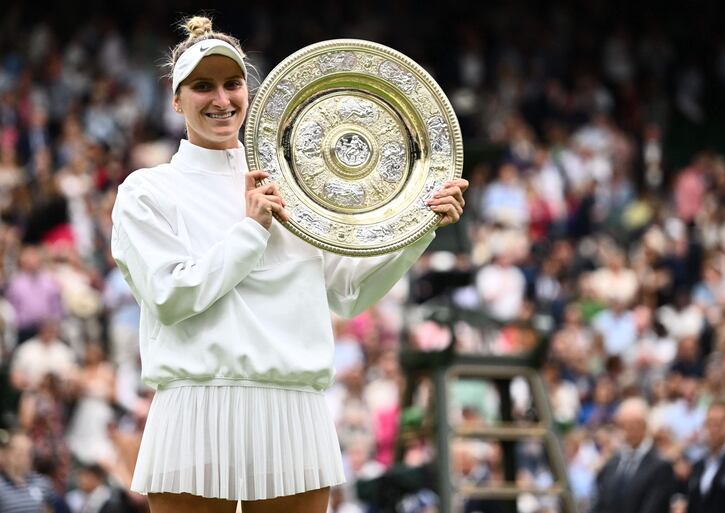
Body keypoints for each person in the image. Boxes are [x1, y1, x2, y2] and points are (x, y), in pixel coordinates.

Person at [110, 15, 468, 513]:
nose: (221, 99)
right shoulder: (147, 191)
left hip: (292, 407)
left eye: (233, 84)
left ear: (249, 91)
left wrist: (418, 229)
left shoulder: (297, 182)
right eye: (202, 86)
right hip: (196, 403)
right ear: (176, 99)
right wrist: (252, 229)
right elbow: (171, 298)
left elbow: (348, 292)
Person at [590, 397, 674, 513]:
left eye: (632, 423)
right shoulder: (612, 463)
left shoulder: (660, 466)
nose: (626, 429)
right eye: (622, 424)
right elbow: (600, 504)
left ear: (644, 425)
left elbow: (653, 508)